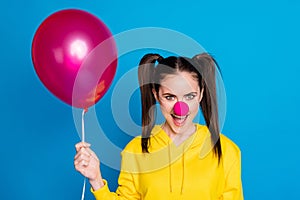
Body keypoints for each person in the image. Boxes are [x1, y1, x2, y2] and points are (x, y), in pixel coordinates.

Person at [74, 53, 244, 199]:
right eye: (170, 97)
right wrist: (96, 179)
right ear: (156, 95)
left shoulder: (227, 150)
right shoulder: (135, 150)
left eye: (189, 96)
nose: (180, 108)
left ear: (200, 94)